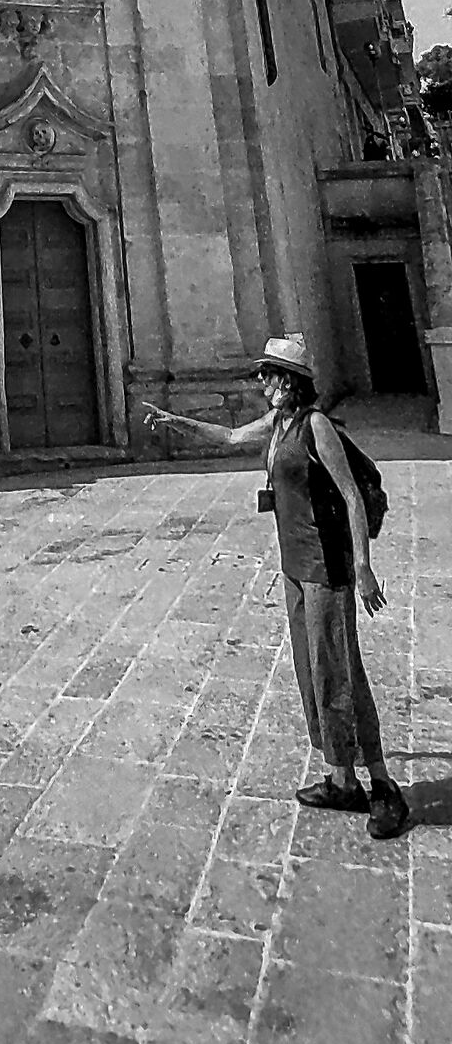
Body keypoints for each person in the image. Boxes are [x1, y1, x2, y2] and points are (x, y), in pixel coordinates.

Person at [143, 334, 408, 840]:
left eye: (268, 374)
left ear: (290, 381)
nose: (262, 382)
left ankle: (382, 784)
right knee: (314, 674)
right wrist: (175, 421)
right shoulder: (279, 423)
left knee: (342, 674)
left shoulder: (317, 427)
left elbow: (352, 496)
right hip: (295, 568)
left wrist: (365, 568)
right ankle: (341, 778)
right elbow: (227, 439)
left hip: (327, 570)